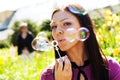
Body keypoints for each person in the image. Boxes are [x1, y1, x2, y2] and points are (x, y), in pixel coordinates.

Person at [40, 3, 120, 80]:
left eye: (66, 23)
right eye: (54, 26)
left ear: (83, 28)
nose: (57, 31)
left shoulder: (111, 67)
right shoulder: (48, 75)